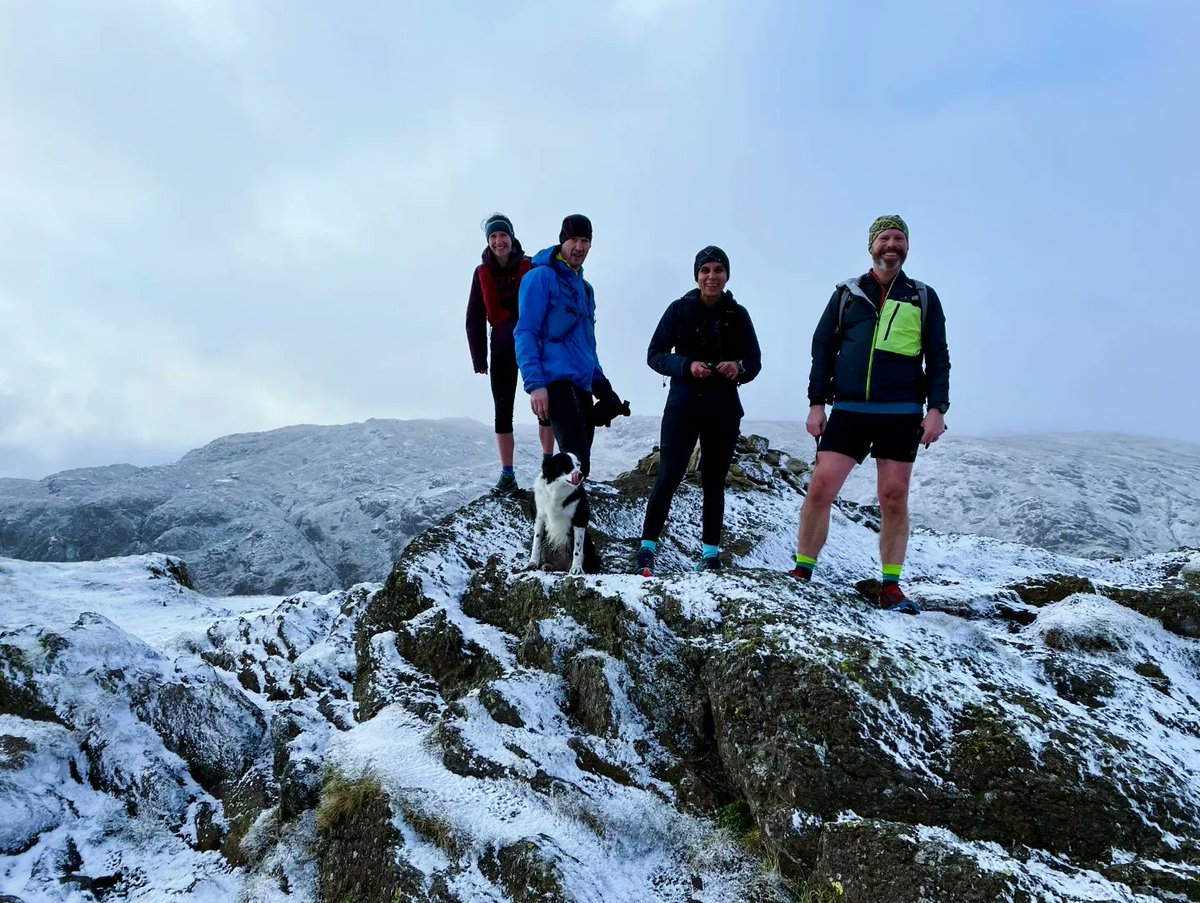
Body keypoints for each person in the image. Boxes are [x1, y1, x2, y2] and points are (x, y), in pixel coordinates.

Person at [789, 215, 950, 614]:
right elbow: (822, 347)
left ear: (907, 246)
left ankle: (891, 586)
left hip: (901, 411)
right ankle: (803, 571)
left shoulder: (923, 296)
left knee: (894, 498)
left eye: (899, 238)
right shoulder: (847, 294)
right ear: (871, 246)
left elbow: (939, 357)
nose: (891, 244)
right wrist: (816, 403)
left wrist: (936, 409)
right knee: (820, 488)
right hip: (849, 408)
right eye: (884, 238)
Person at [635, 246, 761, 576]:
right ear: (697, 275)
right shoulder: (679, 309)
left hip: (723, 408)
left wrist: (739, 367)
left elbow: (754, 362)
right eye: (706, 270)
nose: (712, 276)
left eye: (718, 270)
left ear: (726, 275)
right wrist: (686, 365)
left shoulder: (738, 314)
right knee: (669, 475)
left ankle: (710, 555)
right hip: (683, 406)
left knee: (714, 481)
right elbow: (654, 354)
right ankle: (647, 549)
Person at [514, 214, 627, 481]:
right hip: (555, 384)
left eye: (585, 241)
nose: (579, 247)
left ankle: (559, 521)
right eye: (573, 239)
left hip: (582, 387)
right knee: (575, 465)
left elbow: (587, 345)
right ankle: (560, 522)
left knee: (579, 468)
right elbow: (525, 332)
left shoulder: (585, 289)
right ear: (562, 240)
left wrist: (604, 388)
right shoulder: (541, 277)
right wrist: (535, 384)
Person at [466, 213, 556, 495]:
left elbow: (549, 302)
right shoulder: (481, 273)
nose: (498, 241)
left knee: (544, 407)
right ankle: (507, 475)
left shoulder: (530, 266)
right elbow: (475, 316)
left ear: (511, 237)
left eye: (502, 235)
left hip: (533, 347)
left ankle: (548, 466)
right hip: (502, 349)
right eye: (493, 237)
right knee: (502, 413)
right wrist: (479, 358)